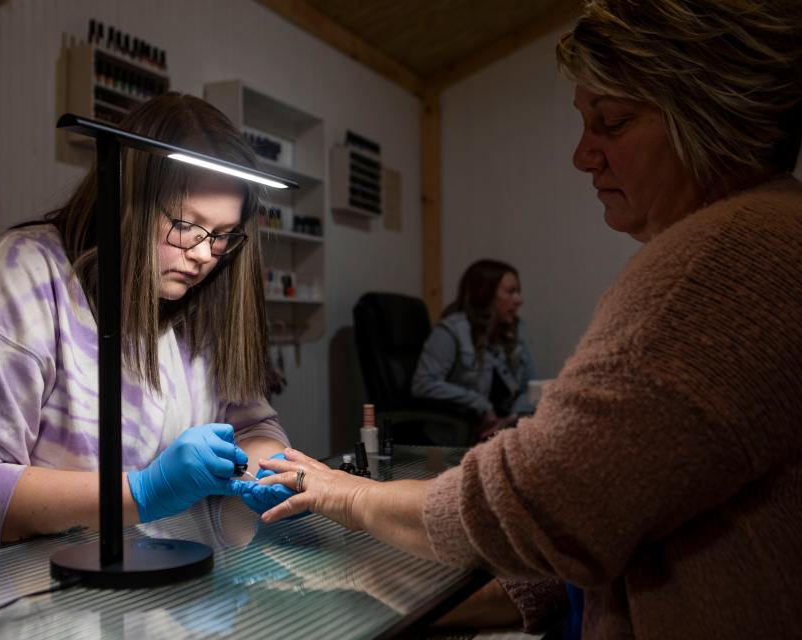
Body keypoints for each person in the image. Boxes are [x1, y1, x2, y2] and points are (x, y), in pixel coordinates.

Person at [250, 1, 802, 638]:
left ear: (709, 112)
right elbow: (621, 506)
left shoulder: (721, 263)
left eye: (612, 122)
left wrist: (346, 495)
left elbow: (546, 503)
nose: (582, 156)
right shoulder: (765, 237)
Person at [0, 93, 295, 562]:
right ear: (128, 202)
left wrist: (261, 470)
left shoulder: (195, 306)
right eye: (185, 224)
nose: (202, 254)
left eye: (221, 236)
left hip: (131, 579)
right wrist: (140, 492)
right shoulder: (17, 277)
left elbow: (254, 425)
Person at [411, 259, 535, 438]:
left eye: (518, 292)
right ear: (486, 294)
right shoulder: (451, 330)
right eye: (510, 292)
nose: (519, 300)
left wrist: (513, 418)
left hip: (502, 434)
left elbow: (531, 388)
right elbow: (423, 383)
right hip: (459, 436)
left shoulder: (513, 332)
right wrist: (479, 404)